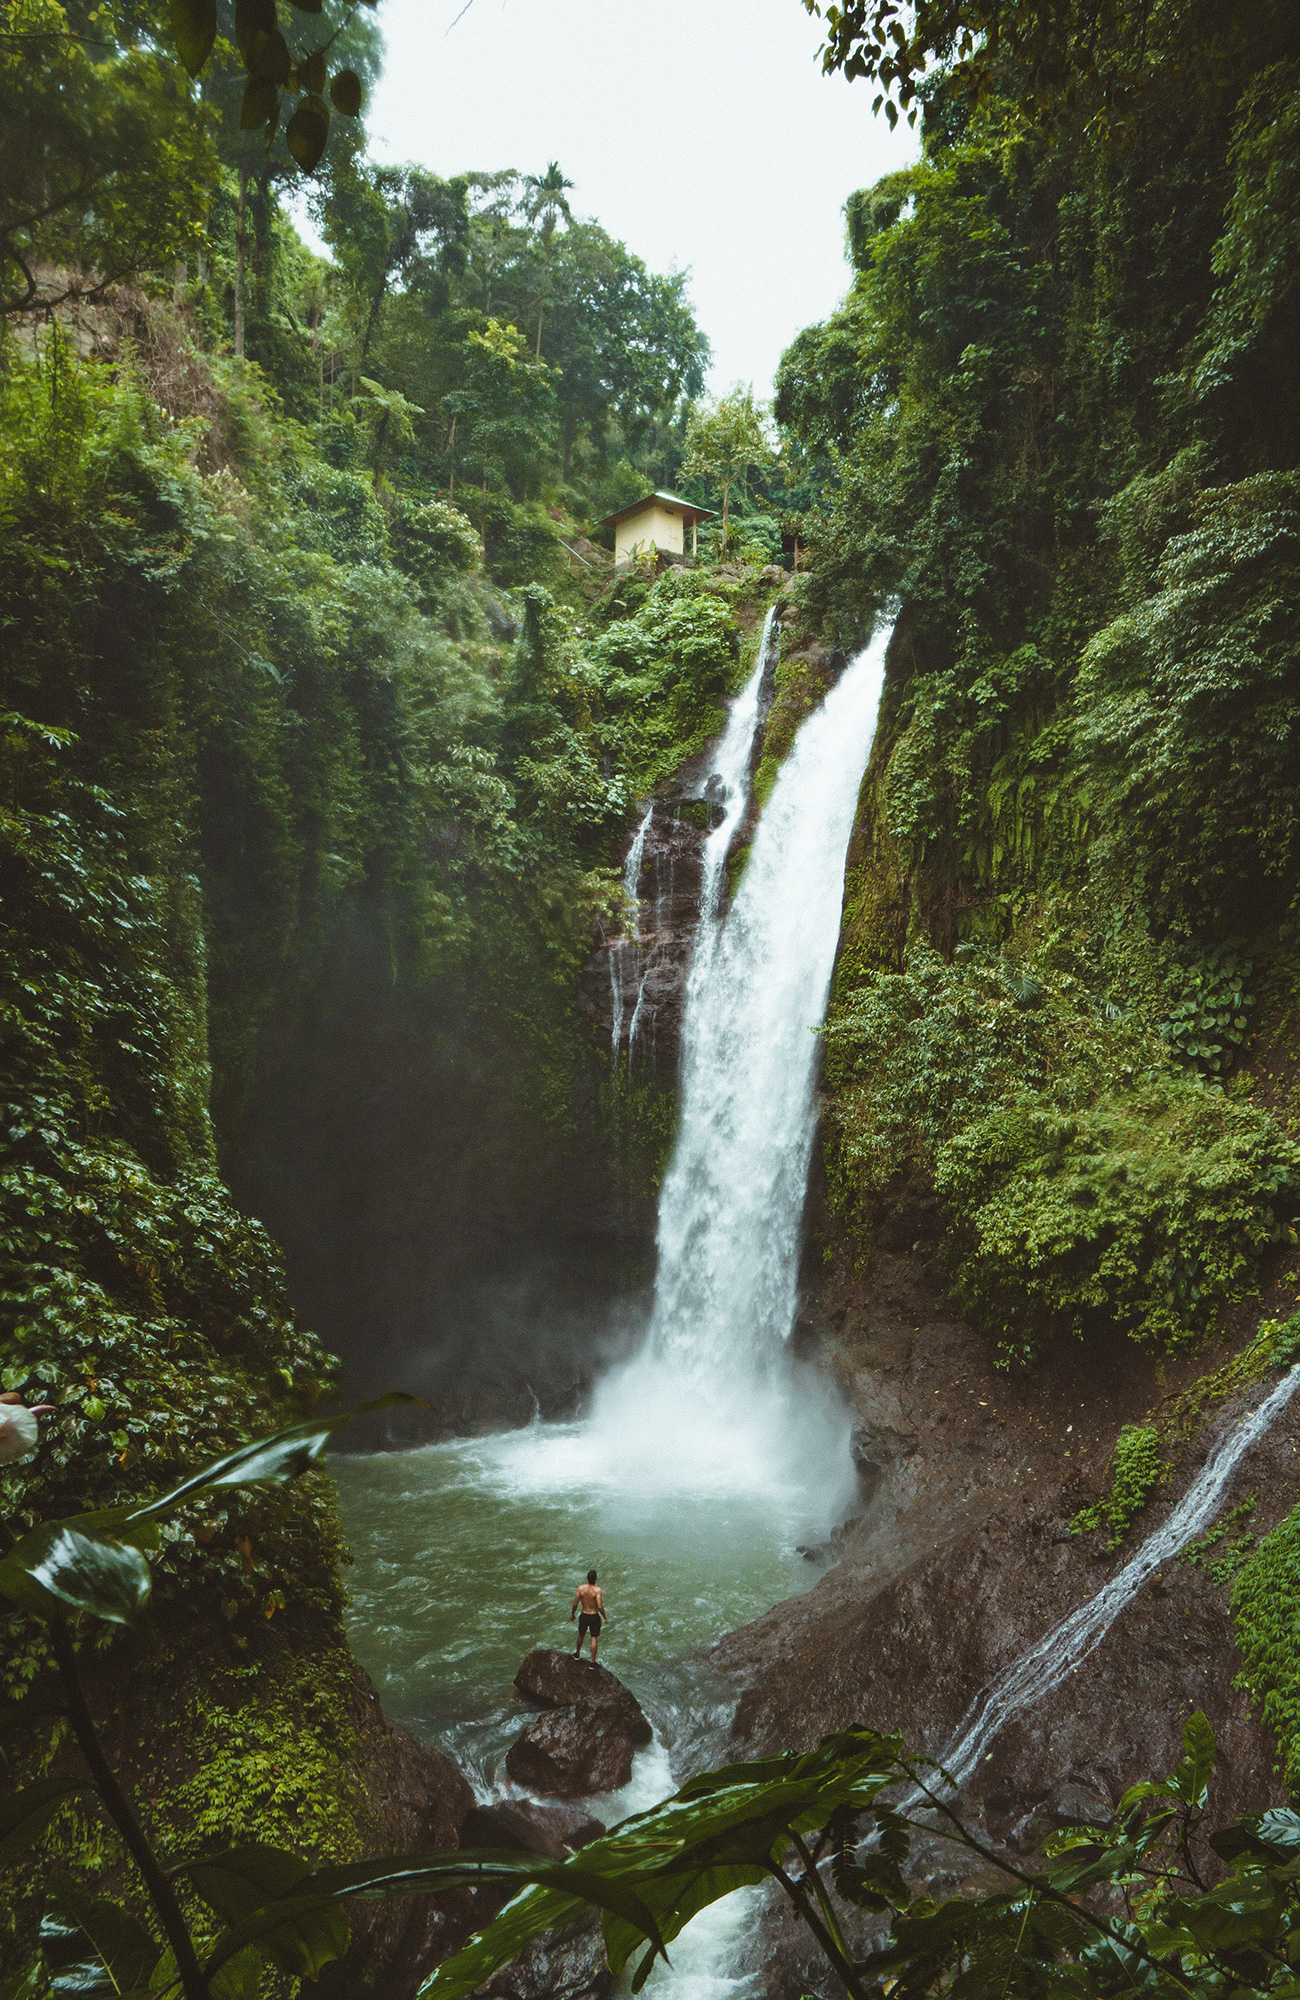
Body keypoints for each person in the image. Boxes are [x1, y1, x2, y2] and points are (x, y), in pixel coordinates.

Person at [570, 1569, 610, 1661]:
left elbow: (575, 1603)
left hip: (584, 1614)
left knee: (581, 1635)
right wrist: (604, 1617)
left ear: (587, 1578)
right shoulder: (597, 1590)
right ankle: (592, 1662)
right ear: (596, 1579)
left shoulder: (580, 1588)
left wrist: (572, 1614)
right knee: (594, 1638)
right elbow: (599, 1606)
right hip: (594, 1616)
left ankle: (577, 1654)